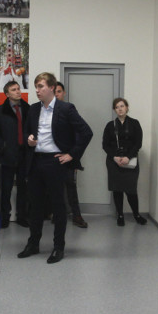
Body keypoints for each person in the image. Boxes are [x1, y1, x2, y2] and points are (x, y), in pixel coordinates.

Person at [18, 72, 92, 264]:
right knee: (35, 206)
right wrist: (29, 139)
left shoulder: (66, 109)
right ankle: (33, 244)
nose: (37, 90)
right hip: (36, 161)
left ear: (52, 87)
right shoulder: (34, 109)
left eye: (41, 86)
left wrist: (72, 154)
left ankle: (58, 247)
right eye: (36, 87)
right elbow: (26, 132)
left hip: (56, 162)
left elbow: (86, 132)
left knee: (58, 207)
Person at [0, 80, 30, 228]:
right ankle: (4, 216)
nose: (18, 91)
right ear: (7, 94)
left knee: (23, 188)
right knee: (5, 188)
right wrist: (3, 148)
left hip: (25, 154)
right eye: (14, 89)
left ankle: (22, 216)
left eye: (18, 89)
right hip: (7, 155)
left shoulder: (28, 109)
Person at [102, 97, 147, 226]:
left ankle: (136, 215)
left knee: (131, 189)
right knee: (117, 189)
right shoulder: (110, 125)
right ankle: (120, 215)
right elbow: (105, 145)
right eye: (117, 107)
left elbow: (138, 143)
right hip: (114, 162)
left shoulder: (134, 123)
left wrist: (128, 157)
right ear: (114, 110)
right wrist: (114, 157)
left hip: (130, 160)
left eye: (122, 106)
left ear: (127, 107)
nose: (120, 109)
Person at [54, 82, 87, 228]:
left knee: (70, 187)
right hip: (51, 157)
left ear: (64, 93)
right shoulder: (46, 111)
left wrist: (73, 156)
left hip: (68, 157)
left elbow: (80, 135)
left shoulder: (69, 110)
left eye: (59, 91)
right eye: (54, 92)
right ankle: (55, 214)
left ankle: (77, 215)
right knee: (53, 187)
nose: (56, 94)